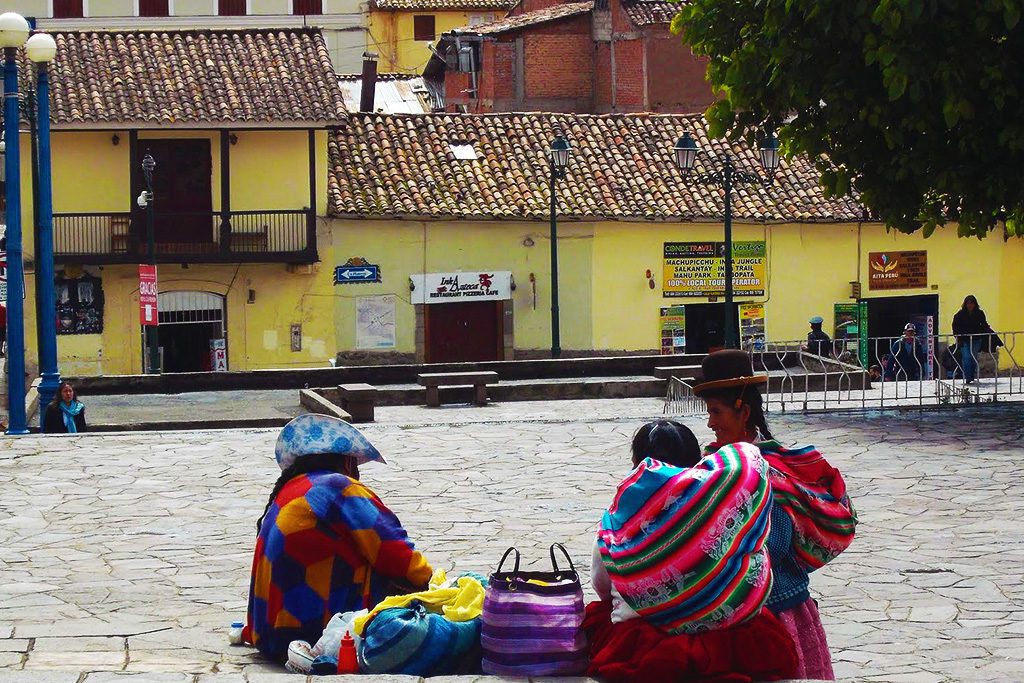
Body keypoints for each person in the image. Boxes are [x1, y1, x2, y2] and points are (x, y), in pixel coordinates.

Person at [584, 418, 799, 682]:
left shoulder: (617, 523)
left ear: (637, 465)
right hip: (727, 642)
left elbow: (602, 586)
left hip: (641, 645)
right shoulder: (722, 511)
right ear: (696, 462)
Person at [695, 349, 857, 680]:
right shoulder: (713, 466)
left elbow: (776, 544)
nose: (710, 422)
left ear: (743, 411)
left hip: (775, 611)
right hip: (726, 613)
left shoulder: (768, 473)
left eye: (716, 412)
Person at [243, 414, 433, 663]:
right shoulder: (337, 486)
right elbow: (397, 554)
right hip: (316, 633)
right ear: (346, 462)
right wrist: (435, 586)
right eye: (355, 464)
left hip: (270, 636)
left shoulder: (289, 490)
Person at [952, 295, 997, 384]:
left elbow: (984, 324)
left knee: (973, 358)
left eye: (972, 303)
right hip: (964, 340)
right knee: (966, 357)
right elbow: (955, 327)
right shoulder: (960, 315)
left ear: (975, 304)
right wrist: (958, 336)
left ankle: (971, 375)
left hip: (976, 339)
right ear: (965, 304)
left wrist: (987, 331)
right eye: (968, 303)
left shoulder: (979, 313)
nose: (970, 305)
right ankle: (968, 377)